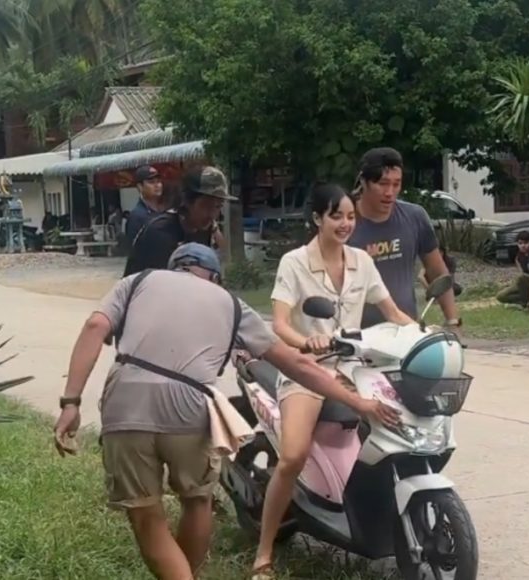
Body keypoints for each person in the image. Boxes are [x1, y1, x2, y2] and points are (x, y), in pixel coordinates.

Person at [52, 243, 398, 580]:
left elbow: (95, 327)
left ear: (174, 268)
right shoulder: (230, 303)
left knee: (146, 515)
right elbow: (297, 364)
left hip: (126, 403)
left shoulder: (137, 281)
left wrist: (71, 402)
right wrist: (359, 402)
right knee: (197, 500)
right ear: (215, 277)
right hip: (189, 406)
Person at [252, 184, 416, 577]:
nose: (345, 223)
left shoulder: (362, 261)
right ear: (317, 218)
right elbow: (280, 324)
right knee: (292, 456)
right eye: (336, 216)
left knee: (401, 432)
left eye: (350, 216)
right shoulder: (294, 262)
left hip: (355, 369)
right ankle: (263, 553)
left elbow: (393, 312)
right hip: (307, 370)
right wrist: (306, 341)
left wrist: (425, 336)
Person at [347, 147, 461, 330]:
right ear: (363, 181)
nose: (389, 192)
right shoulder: (344, 224)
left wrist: (452, 321)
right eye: (383, 183)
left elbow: (438, 272)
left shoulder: (415, 217)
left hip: (406, 331)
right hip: (356, 336)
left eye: (396, 184)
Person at [123, 166, 234, 277]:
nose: (212, 214)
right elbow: (158, 283)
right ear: (187, 201)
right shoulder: (160, 233)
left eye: (218, 206)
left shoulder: (203, 227)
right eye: (206, 205)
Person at [124, 165, 168, 245]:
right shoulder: (137, 217)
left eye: (158, 181)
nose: (157, 185)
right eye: (151, 182)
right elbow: (134, 247)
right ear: (140, 187)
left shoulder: (166, 210)